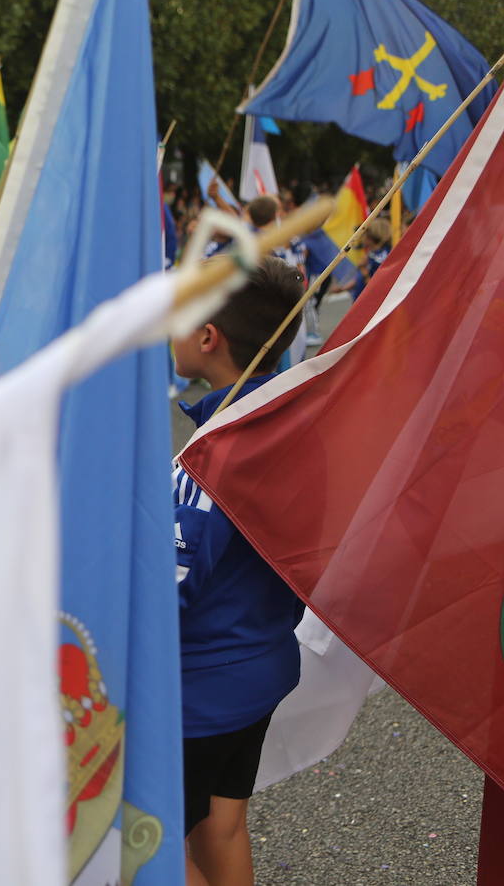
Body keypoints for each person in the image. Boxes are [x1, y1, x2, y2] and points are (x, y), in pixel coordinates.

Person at [170, 256, 307, 886]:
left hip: (198, 688)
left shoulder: (216, 447)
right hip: (259, 664)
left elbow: (171, 584)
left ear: (207, 337)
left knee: (141, 847)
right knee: (221, 826)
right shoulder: (289, 420)